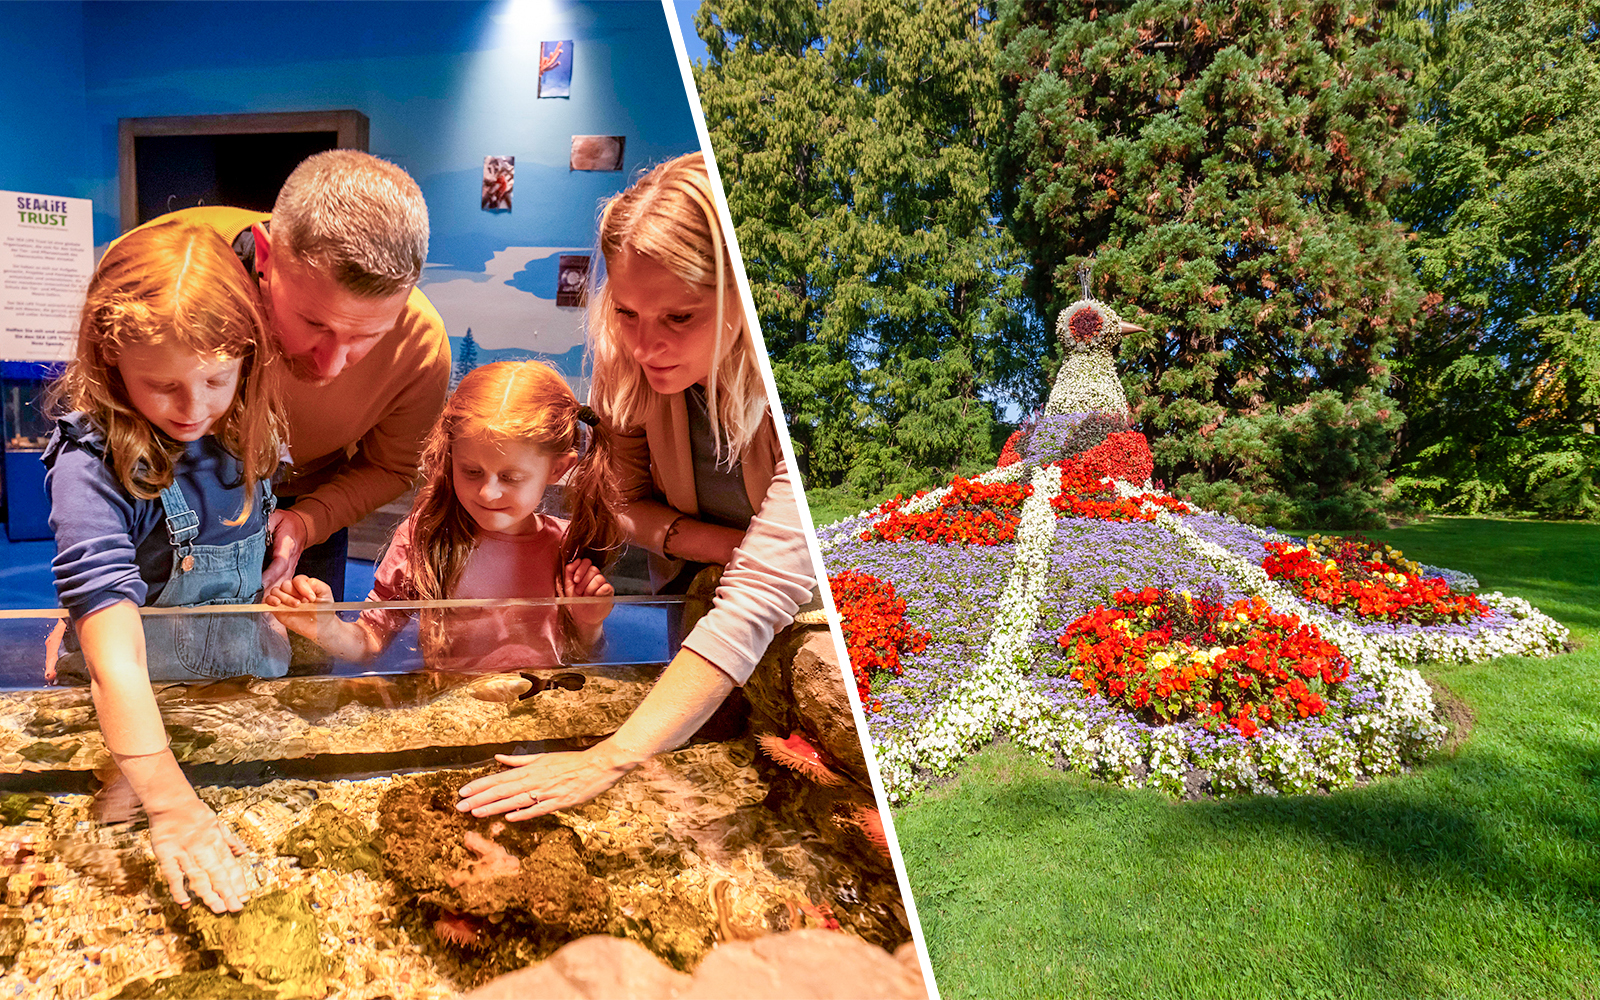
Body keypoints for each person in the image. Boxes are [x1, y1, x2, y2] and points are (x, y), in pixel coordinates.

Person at [455, 152, 816, 820]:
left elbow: (765, 594)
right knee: (711, 758)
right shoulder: (626, 369)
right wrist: (722, 547)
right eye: (626, 312)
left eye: (679, 318)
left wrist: (607, 758)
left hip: (809, 630)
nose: (645, 345)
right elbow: (623, 506)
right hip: (698, 604)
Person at [44, 220, 288, 914]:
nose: (194, 409)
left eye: (216, 379)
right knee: (115, 848)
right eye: (162, 386)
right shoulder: (91, 462)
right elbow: (117, 660)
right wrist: (172, 804)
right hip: (128, 704)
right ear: (109, 357)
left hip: (236, 688)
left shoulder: (249, 424)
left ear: (247, 356)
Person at [117, 150, 452, 599]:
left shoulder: (421, 347)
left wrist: (310, 519)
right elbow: (100, 430)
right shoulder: (156, 273)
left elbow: (390, 466)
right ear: (267, 254)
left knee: (304, 660)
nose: (330, 365)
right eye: (315, 324)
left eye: (367, 337)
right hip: (156, 501)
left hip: (304, 506)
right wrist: (88, 603)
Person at [265, 361, 618, 669]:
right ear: (451, 456)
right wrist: (327, 628)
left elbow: (584, 662)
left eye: (510, 477)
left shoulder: (570, 546)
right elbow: (370, 642)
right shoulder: (425, 537)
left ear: (558, 469)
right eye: (471, 471)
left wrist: (590, 625)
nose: (488, 492)